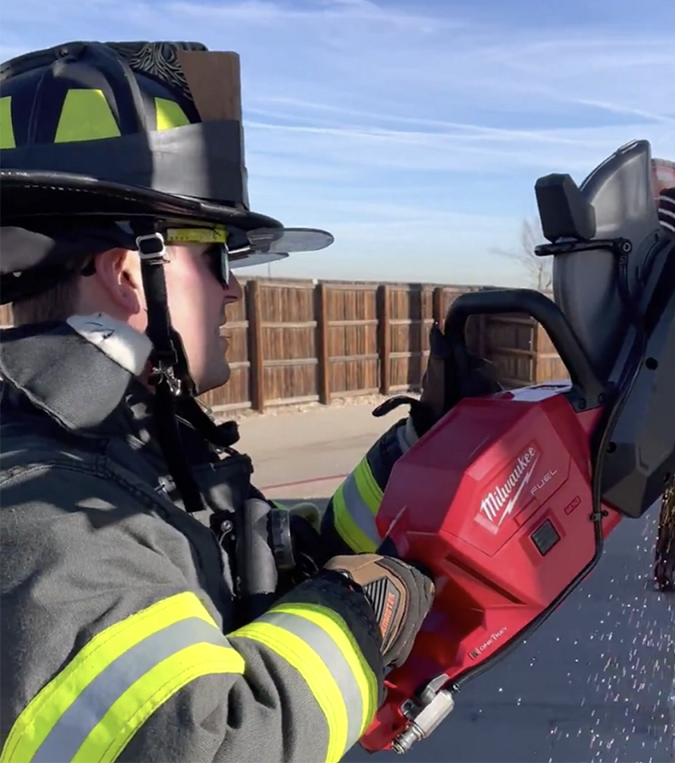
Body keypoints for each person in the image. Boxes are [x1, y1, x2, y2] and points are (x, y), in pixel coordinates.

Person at [0, 40, 500, 763]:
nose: (234, 289)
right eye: (216, 254)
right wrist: (350, 622)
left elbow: (265, 559)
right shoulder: (42, 515)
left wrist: (424, 444)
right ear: (127, 274)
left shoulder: (123, 451)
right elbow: (206, 741)